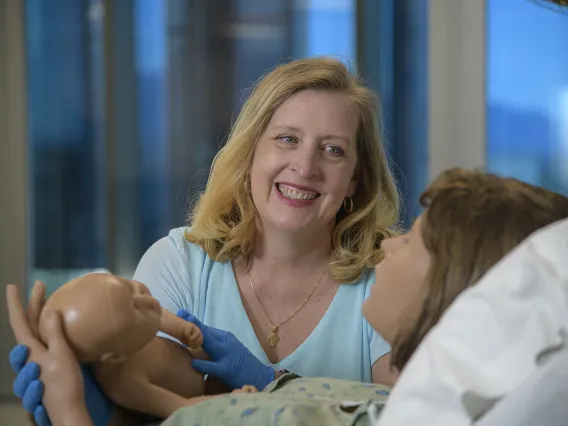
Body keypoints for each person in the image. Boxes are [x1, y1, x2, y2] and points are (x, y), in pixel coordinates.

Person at [9, 57, 401, 426]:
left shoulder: (388, 282)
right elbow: (146, 404)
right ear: (250, 153)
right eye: (286, 139)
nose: (305, 166)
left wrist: (272, 381)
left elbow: (405, 416)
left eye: (333, 150)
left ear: (354, 179)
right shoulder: (179, 264)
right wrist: (92, 408)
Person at [9, 168, 568, 426]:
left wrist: (71, 409)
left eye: (413, 239)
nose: (389, 246)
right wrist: (279, 387)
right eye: (285, 139)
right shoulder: (180, 258)